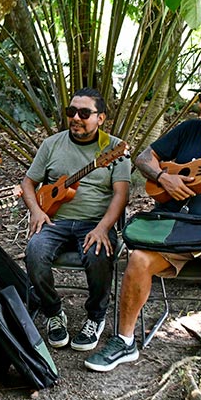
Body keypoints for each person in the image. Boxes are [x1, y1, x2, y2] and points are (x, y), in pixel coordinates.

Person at [85, 69, 201, 372]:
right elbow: (144, 157)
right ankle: (124, 340)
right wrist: (163, 178)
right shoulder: (189, 130)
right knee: (139, 259)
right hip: (175, 223)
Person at [21, 87, 130, 352]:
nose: (76, 118)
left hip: (94, 222)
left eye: (84, 113)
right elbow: (28, 182)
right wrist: (37, 210)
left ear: (101, 118)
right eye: (72, 112)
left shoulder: (114, 149)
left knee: (99, 253)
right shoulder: (52, 144)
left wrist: (104, 228)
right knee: (34, 252)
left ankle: (96, 316)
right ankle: (53, 312)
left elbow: (121, 195)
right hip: (54, 221)